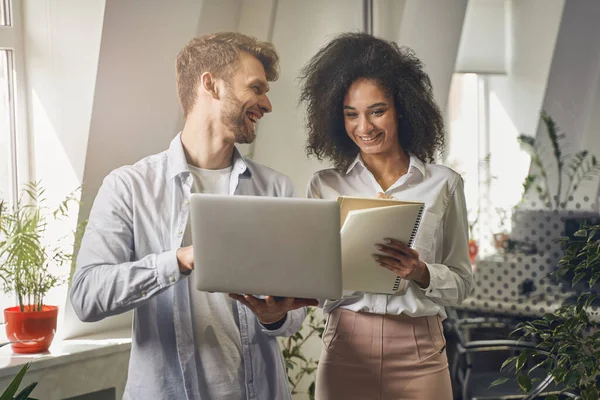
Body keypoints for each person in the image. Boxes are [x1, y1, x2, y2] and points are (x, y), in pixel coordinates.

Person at [70, 32, 316, 400]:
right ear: (210, 85)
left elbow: (290, 317)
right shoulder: (129, 187)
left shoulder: (275, 188)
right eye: (256, 87)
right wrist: (180, 260)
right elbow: (87, 296)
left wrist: (274, 315)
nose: (266, 104)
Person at [299, 32, 474, 400]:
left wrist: (421, 272)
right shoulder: (325, 186)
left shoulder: (443, 185)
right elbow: (313, 280)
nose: (364, 127)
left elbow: (461, 282)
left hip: (420, 353)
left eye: (377, 111)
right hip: (346, 346)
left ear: (402, 109)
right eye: (351, 115)